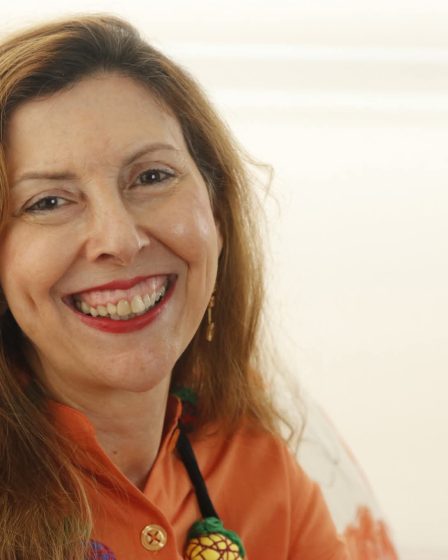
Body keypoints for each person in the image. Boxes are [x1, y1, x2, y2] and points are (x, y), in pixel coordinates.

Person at [0, 15, 349, 560]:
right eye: (47, 202)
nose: (119, 239)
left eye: (152, 177)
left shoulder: (262, 469)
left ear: (217, 211)